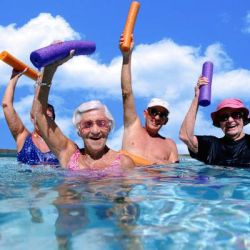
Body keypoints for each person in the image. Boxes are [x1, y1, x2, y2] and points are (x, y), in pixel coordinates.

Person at [31, 52, 134, 173]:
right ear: (79, 130)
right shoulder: (69, 155)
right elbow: (39, 114)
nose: (95, 131)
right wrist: (50, 69)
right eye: (88, 124)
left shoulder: (124, 163)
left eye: (101, 123)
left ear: (110, 127)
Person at [119, 35, 179, 166]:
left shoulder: (169, 144)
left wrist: (160, 164)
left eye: (162, 115)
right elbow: (126, 92)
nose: (157, 117)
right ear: (145, 113)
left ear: (166, 121)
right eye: (153, 112)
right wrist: (126, 57)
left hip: (156, 185)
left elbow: (175, 174)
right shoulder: (132, 127)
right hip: (129, 184)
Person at [179, 76, 250, 167]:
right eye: (224, 117)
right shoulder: (211, 146)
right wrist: (197, 97)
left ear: (243, 119)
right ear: (219, 123)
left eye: (236, 115)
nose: (230, 120)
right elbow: (185, 136)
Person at [2, 68, 59, 165]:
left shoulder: (62, 145)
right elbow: (6, 105)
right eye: (41, 116)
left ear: (53, 121)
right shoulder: (23, 137)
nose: (44, 120)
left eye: (48, 117)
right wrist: (14, 78)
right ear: (33, 118)